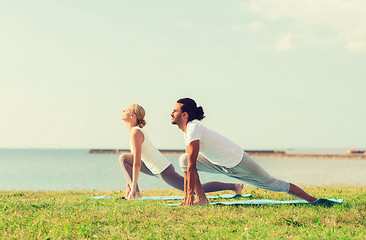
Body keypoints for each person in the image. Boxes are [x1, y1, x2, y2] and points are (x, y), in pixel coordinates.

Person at [170, 98, 318, 206]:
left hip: (238, 162)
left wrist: (189, 193)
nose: (171, 113)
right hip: (218, 164)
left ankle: (312, 200)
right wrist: (186, 197)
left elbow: (192, 165)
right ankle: (202, 200)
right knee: (183, 159)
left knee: (273, 184)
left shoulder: (193, 129)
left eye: (175, 110)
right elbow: (188, 166)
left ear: (184, 115)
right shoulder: (188, 131)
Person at [119, 104, 244, 200]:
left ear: (133, 116)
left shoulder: (136, 133)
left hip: (163, 169)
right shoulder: (134, 132)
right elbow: (132, 164)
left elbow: (136, 164)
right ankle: (134, 193)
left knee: (195, 190)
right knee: (124, 159)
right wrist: (129, 187)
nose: (123, 110)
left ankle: (234, 186)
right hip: (150, 167)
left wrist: (134, 188)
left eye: (126, 110)